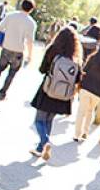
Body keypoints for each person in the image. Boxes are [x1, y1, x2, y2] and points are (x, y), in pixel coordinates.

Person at [29, 27, 83, 161]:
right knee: (49, 120)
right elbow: (77, 79)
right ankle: (40, 148)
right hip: (62, 95)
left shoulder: (52, 50)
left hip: (48, 89)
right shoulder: (75, 58)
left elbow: (42, 70)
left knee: (39, 120)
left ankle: (45, 142)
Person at [0, 0, 37, 100]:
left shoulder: (11, 15)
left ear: (21, 5)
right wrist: (30, 56)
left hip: (6, 47)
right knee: (11, 73)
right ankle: (2, 93)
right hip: (18, 51)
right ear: (31, 9)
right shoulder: (31, 23)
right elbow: (30, 41)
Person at [73, 40, 100, 141]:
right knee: (90, 110)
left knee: (81, 111)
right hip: (98, 93)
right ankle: (85, 132)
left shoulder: (92, 58)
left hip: (86, 88)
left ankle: (77, 134)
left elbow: (84, 71)